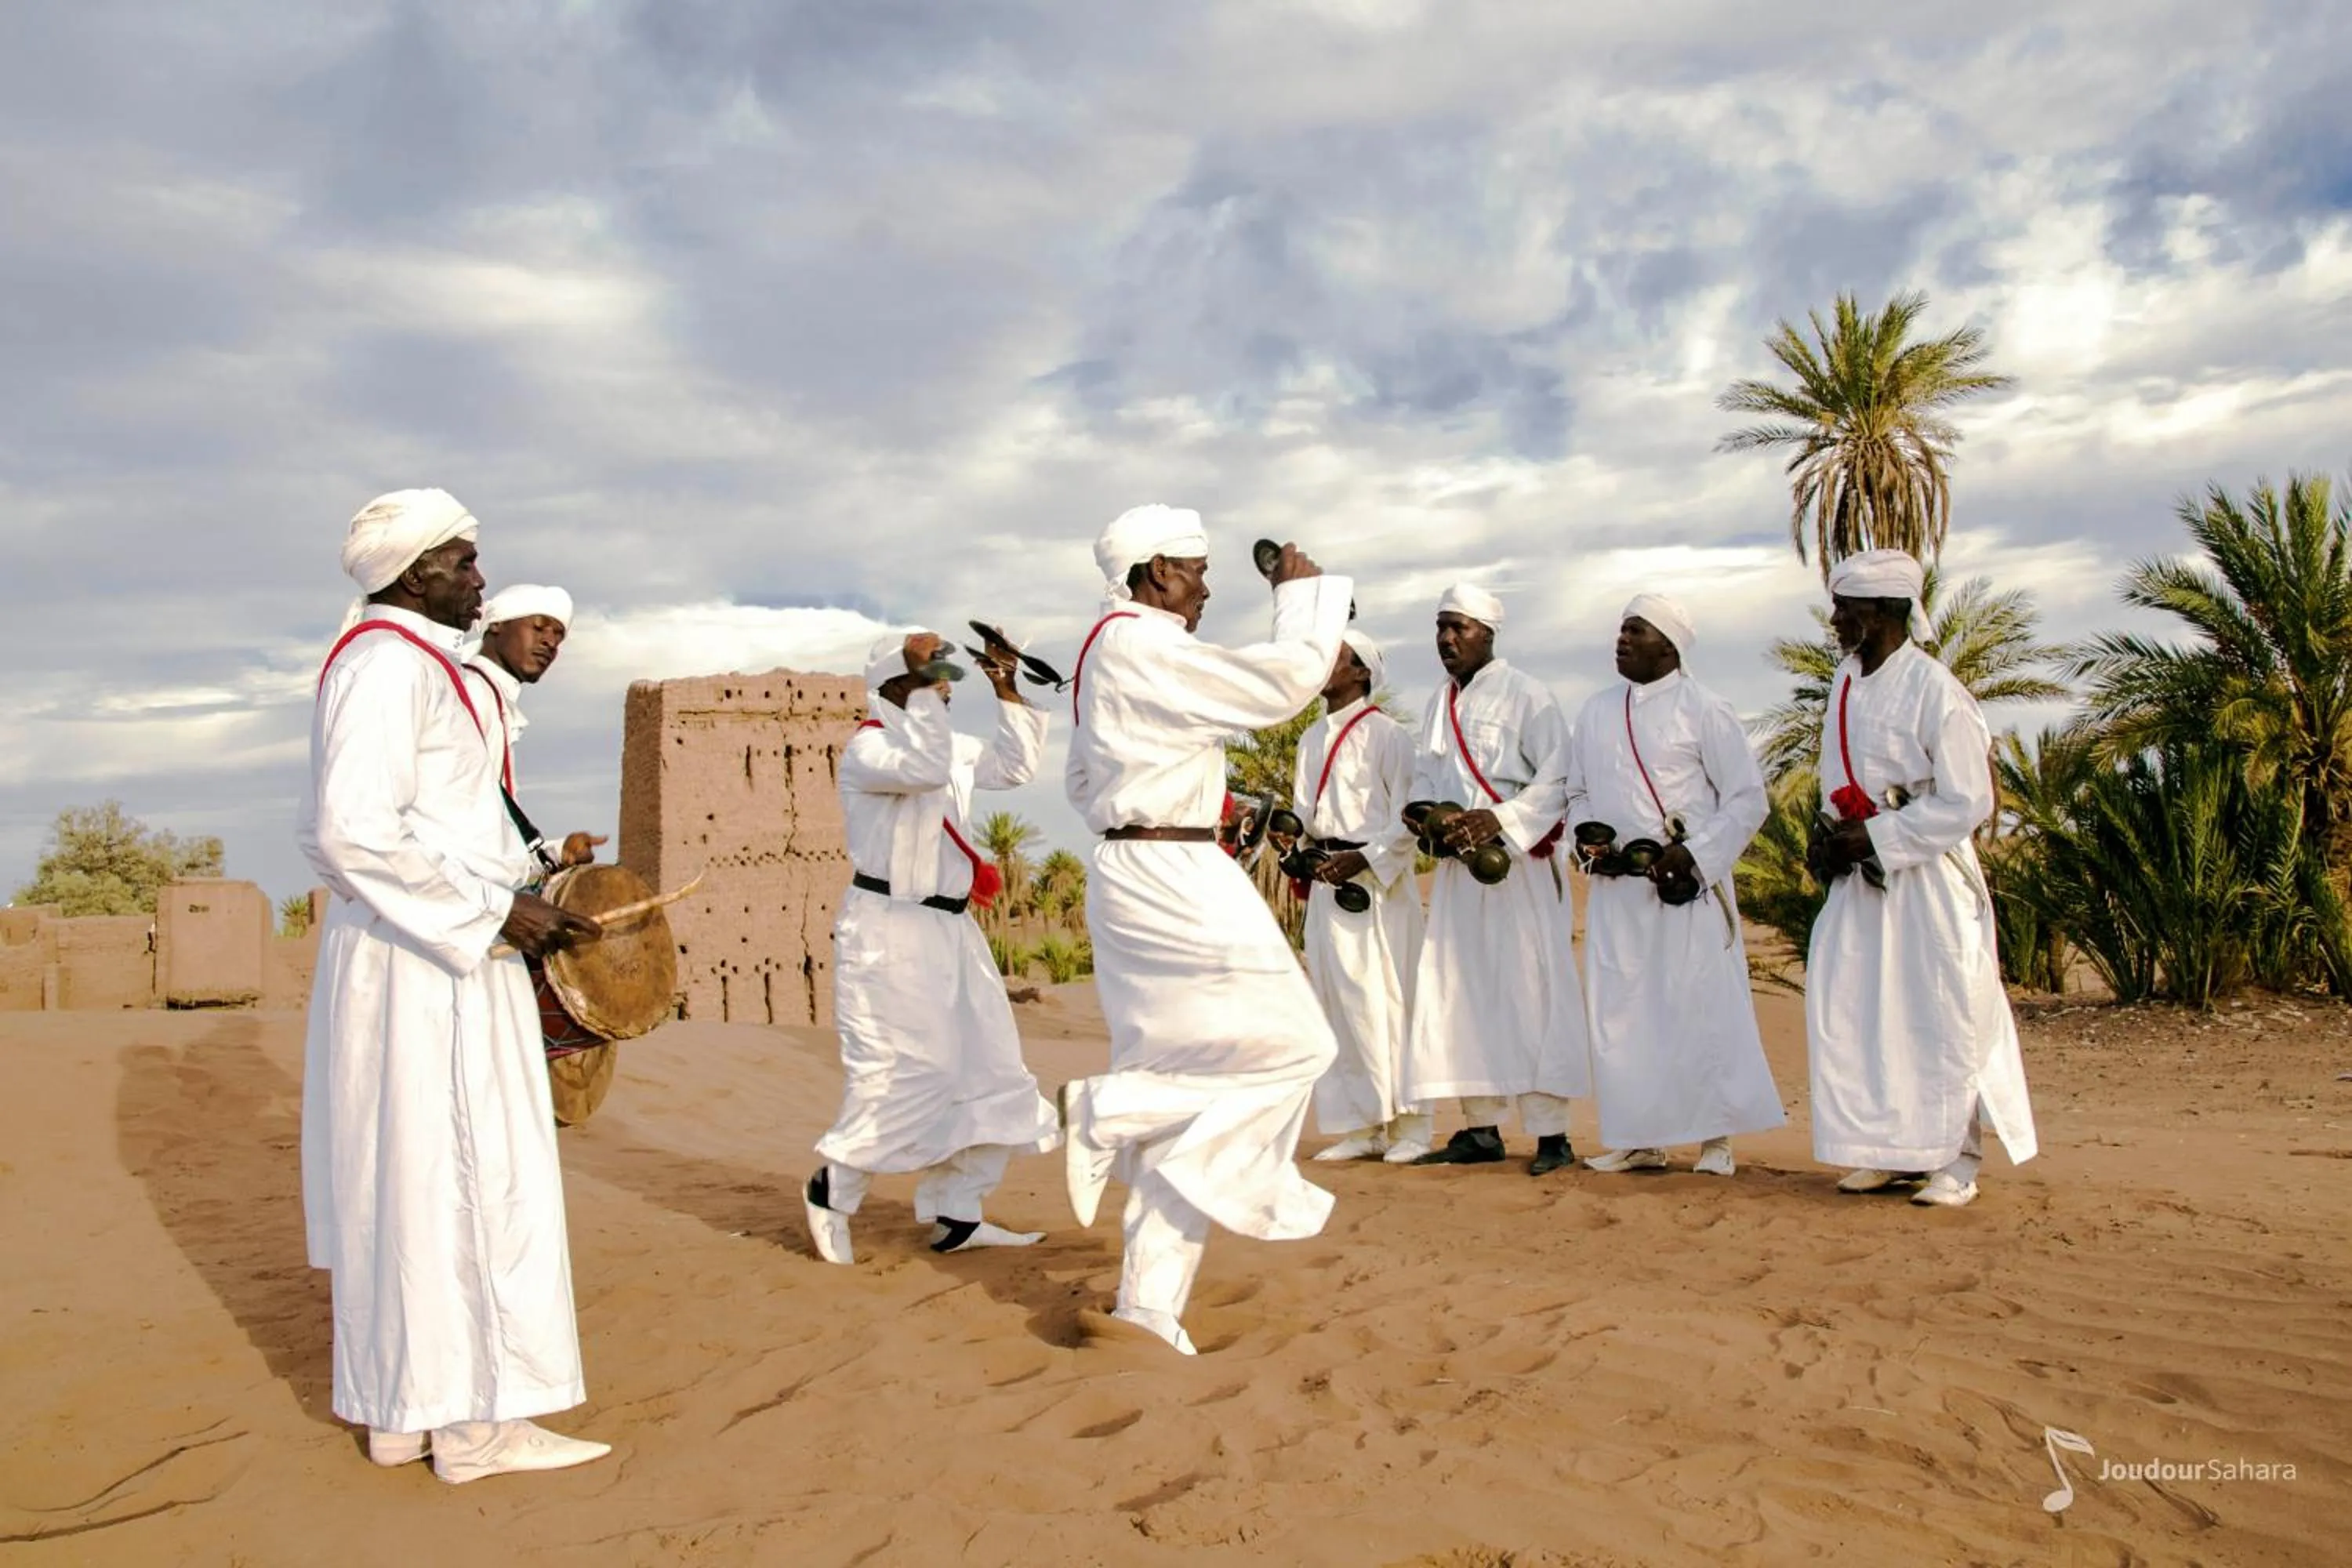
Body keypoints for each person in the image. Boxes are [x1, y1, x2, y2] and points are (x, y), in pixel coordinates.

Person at [299, 488, 611, 1484]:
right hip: (429, 964)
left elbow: (431, 826)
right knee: (464, 1181)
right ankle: (476, 1431)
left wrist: (525, 883)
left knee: (411, 1184)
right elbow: (350, 831)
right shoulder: (392, 666)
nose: (480, 578)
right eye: (466, 562)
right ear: (413, 569)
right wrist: (493, 916)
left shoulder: (400, 664)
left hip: (417, 948)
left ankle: (406, 1412)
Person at [1059, 504, 1354, 1354]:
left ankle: (1149, 1302)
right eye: (1195, 568)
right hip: (1171, 874)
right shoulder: (1139, 643)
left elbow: (1083, 782)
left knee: (1193, 1090)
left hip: (1142, 865)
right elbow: (1276, 685)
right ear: (1156, 572)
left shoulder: (1103, 652)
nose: (1207, 585)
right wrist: (1302, 599)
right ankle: (1108, 1106)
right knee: (1297, 1046)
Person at [802, 629, 1062, 1263]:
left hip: (952, 931)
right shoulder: (869, 747)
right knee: (907, 1071)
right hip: (889, 928)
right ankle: (834, 1187)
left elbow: (1014, 766)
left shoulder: (942, 741)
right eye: (931, 671)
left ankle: (959, 1212)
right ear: (897, 679)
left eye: (947, 672)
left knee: (991, 1067)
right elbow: (921, 770)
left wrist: (1004, 683)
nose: (946, 682)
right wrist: (923, 683)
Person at [1804, 549, 2038, 1207]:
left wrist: (1879, 835)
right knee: (1859, 1011)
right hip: (1861, 880)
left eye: (1846, 607)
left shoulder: (1938, 690)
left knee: (1941, 1012)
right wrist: (1828, 837)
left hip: (1926, 880)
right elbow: (1836, 778)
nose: (1836, 618)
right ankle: (1889, 1151)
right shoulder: (1845, 681)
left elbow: (1969, 800)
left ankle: (1955, 1162)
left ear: (1882, 612)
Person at [1564, 594, 1784, 1176]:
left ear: (1670, 645)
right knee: (1624, 1014)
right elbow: (1577, 793)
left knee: (1699, 1009)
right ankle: (1639, 1138)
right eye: (1620, 630)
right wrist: (1588, 848)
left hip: (1684, 886)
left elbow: (1746, 799)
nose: (1622, 640)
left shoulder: (1706, 708)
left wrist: (1695, 855)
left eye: (1635, 631)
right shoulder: (1595, 712)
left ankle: (1716, 1142)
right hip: (1619, 892)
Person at [1398, 584, 1590, 1174]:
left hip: (1517, 869)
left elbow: (1558, 781)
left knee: (1531, 991)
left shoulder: (1529, 696)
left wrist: (1498, 820)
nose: (1446, 639)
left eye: (1458, 627)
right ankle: (1479, 1127)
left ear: (1488, 632)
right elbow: (1425, 779)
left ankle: (1552, 1137)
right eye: (1439, 628)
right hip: (1461, 875)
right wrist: (1430, 818)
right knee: (1459, 992)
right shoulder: (1438, 702)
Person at [1289, 630, 1428, 1162]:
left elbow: (1410, 817)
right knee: (1338, 1003)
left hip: (1374, 885)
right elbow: (1306, 812)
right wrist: (1290, 839)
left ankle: (1411, 1127)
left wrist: (1366, 859)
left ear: (1363, 673)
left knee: (1387, 1001)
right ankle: (1362, 1124)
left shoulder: (1388, 736)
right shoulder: (1310, 739)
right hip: (1327, 879)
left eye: (1336, 657)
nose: (1323, 664)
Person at [461, 583, 604, 871]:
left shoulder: (492, 697)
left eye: (558, 636)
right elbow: (466, 822)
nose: (551, 642)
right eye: (539, 628)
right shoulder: (474, 694)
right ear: (497, 625)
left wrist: (555, 851)